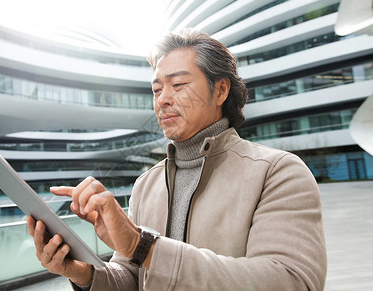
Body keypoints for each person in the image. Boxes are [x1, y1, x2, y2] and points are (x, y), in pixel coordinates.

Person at [27, 29, 327, 290]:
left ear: (221, 89)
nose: (163, 99)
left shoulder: (278, 172)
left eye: (178, 85)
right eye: (156, 89)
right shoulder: (147, 183)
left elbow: (292, 282)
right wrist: (83, 274)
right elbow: (133, 278)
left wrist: (142, 246)